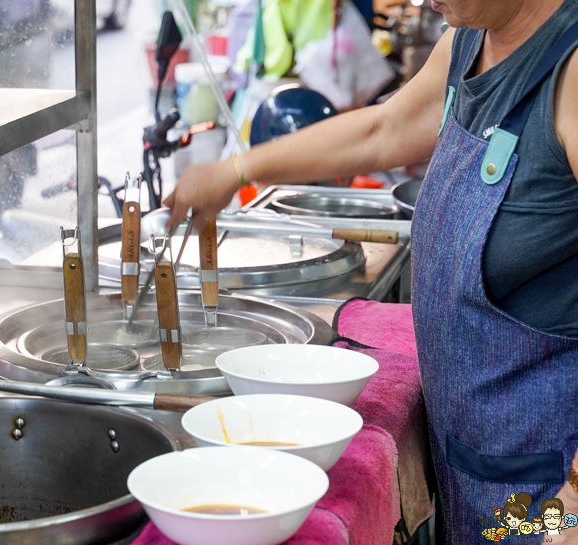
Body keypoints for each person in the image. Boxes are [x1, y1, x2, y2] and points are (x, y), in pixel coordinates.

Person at [164, 0, 578, 542]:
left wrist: (573, 501)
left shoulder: (569, 72)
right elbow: (384, 128)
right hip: (480, 459)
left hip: (551, 481)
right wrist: (237, 169)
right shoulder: (469, 43)